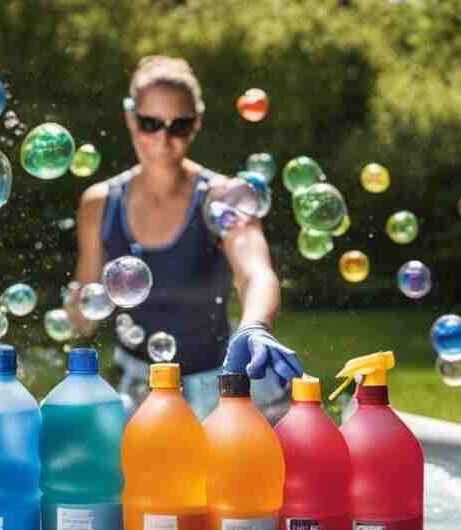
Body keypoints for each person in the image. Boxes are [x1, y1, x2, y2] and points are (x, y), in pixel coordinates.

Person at [67, 55, 301, 421]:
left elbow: (256, 273)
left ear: (197, 125)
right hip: (138, 392)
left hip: (224, 384)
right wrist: (75, 310)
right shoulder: (100, 205)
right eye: (150, 123)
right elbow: (84, 307)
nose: (164, 138)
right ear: (131, 121)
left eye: (179, 125)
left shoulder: (223, 198)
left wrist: (255, 325)